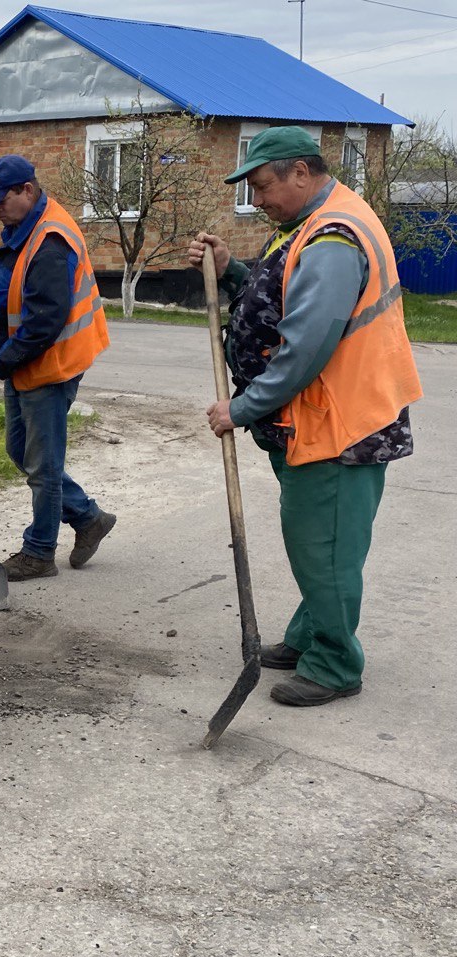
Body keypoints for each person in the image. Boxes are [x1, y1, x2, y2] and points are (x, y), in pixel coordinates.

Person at [188, 126, 422, 708]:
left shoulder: (334, 239)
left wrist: (241, 407)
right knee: (318, 543)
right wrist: (231, 270)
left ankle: (335, 663)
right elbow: (279, 294)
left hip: (340, 423)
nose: (258, 199)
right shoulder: (306, 227)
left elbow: (307, 345)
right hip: (323, 418)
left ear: (301, 172)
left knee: (326, 546)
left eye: (264, 186)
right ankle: (308, 634)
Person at [0, 155, 116, 581]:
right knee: (21, 450)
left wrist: (0, 361)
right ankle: (88, 518)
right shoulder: (27, 225)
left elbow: (44, 320)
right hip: (28, 363)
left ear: (26, 191)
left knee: (43, 466)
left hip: (50, 365)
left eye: (0, 200)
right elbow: (17, 264)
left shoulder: (51, 240)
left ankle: (39, 552)